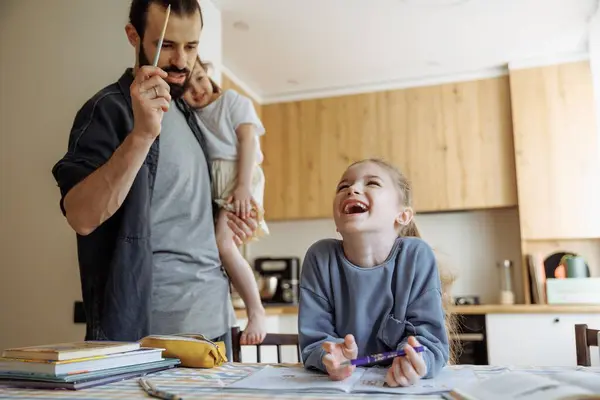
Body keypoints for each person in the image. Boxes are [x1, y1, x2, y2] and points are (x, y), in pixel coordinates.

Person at [51, 0, 257, 360]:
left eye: (191, 46)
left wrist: (231, 219)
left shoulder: (190, 114)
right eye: (168, 45)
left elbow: (188, 214)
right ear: (134, 37)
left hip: (216, 325)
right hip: (144, 338)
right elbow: (81, 217)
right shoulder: (110, 110)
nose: (181, 60)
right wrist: (142, 135)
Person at [298, 158, 457, 387]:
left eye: (372, 183)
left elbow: (430, 344)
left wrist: (414, 361)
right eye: (343, 186)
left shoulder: (416, 256)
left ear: (402, 215)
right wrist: (328, 357)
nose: (352, 189)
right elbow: (314, 343)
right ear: (337, 221)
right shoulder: (320, 257)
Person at [182, 56, 268, 345]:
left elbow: (248, 140)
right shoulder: (192, 115)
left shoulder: (233, 101)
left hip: (239, 179)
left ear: (208, 74)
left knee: (224, 244)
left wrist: (243, 187)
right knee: (224, 250)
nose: (196, 89)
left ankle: (256, 311)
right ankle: (240, 306)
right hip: (221, 187)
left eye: (199, 78)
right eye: (186, 86)